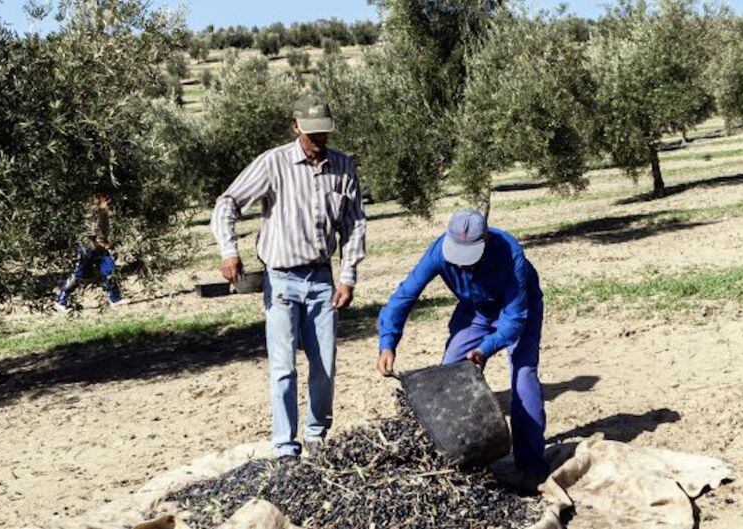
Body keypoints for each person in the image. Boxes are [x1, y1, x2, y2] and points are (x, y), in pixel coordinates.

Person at [211, 94, 367, 458]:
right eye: (310, 133)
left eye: (323, 133)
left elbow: (354, 223)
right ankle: (285, 445)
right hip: (280, 278)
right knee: (283, 368)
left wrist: (348, 275)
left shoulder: (343, 167)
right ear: (295, 127)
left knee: (324, 364)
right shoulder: (273, 163)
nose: (317, 140)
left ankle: (316, 435)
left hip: (321, 279)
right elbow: (227, 203)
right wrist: (229, 251)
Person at [376, 208, 548, 486]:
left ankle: (532, 464)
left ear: (486, 241)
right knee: (448, 375)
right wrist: (387, 343)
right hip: (476, 311)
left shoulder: (510, 253)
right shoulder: (438, 253)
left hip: (518, 309)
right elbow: (404, 296)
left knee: (523, 376)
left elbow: (514, 319)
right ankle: (457, 453)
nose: (463, 266)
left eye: (469, 260)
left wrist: (485, 349)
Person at [55, 192, 122, 311]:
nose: (108, 202)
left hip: (98, 248)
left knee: (108, 269)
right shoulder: (91, 214)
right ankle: (61, 299)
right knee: (78, 275)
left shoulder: (102, 213)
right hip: (86, 248)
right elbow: (93, 235)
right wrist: (106, 245)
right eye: (106, 199)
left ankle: (115, 299)